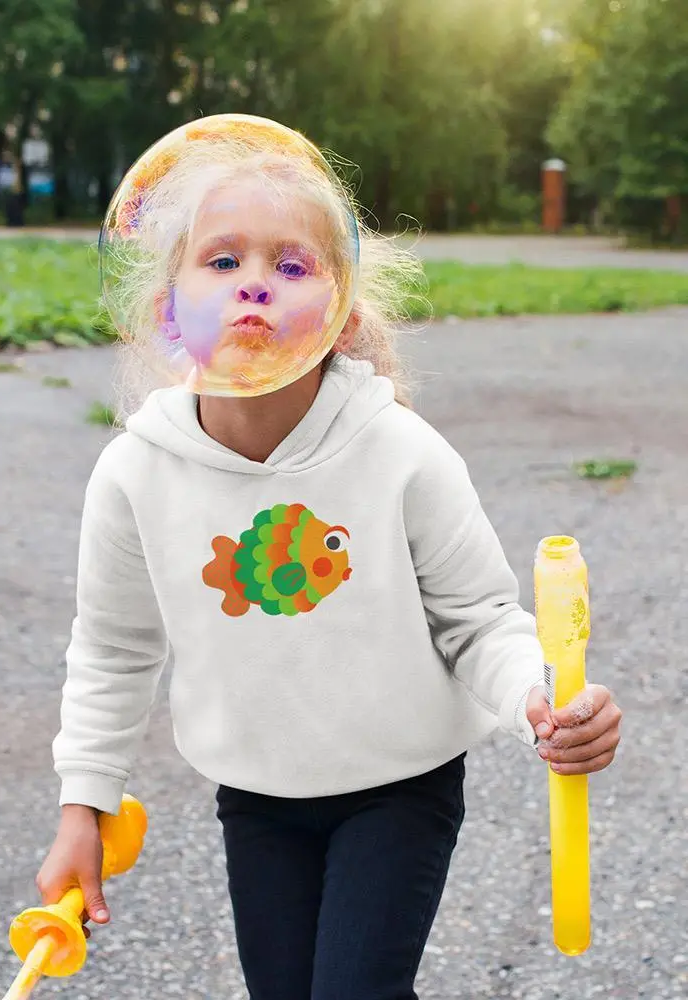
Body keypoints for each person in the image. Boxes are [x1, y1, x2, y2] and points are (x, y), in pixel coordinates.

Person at [36, 116, 622, 1000]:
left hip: (399, 787)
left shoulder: (401, 452)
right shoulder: (134, 473)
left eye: (292, 264)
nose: (255, 287)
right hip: (258, 798)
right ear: (169, 304)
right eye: (223, 260)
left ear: (340, 308)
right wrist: (84, 805)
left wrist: (537, 700)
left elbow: (478, 620)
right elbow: (114, 650)